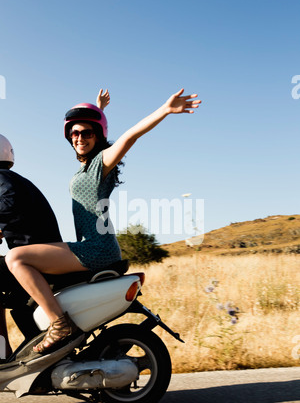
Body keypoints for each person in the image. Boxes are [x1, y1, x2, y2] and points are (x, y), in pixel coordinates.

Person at [6, 88, 201, 354]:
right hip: (89, 245)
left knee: (16, 258)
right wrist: (99, 111)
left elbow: (131, 136)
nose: (79, 137)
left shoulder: (101, 163)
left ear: (98, 136)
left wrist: (164, 110)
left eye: (87, 132)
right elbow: (94, 132)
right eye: (74, 133)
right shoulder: (86, 167)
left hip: (96, 249)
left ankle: (59, 324)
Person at [0, 134, 63, 358]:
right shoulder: (13, 180)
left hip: (36, 261)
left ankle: (3, 356)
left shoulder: (3, 182)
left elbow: (8, 208)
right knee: (17, 305)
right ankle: (32, 357)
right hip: (42, 257)